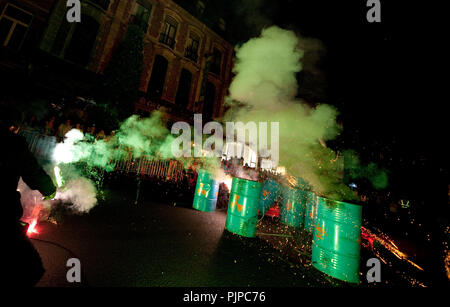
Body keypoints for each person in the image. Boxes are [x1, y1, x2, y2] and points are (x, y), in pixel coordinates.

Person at [0, 118, 56, 286]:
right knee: (32, 267)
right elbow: (30, 169)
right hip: (1, 208)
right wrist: (49, 189)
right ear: (12, 127)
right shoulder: (11, 141)